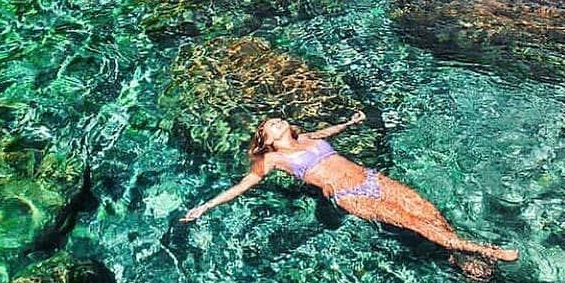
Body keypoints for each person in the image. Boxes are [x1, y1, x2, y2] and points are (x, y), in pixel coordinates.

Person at [181, 113, 518, 262]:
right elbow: (243, 185)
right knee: (413, 223)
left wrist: (350, 123)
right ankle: (485, 250)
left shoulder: (305, 138)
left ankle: (455, 255)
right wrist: (205, 206)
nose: (276, 122)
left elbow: (328, 134)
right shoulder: (271, 161)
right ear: (266, 140)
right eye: (270, 125)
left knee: (426, 209)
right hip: (351, 196)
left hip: (371, 178)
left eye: (277, 119)